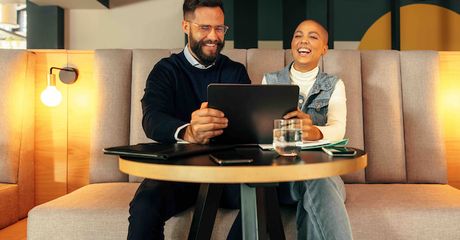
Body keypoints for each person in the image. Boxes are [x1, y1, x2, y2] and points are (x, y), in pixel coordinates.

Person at [128, 0, 250, 239]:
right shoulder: (165, 70)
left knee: (266, 195)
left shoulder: (235, 71)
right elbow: (152, 119)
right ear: (186, 26)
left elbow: (247, 126)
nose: (214, 36)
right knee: (144, 206)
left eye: (219, 28)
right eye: (204, 28)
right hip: (178, 172)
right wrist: (188, 131)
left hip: (227, 173)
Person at [262, 20, 353, 239]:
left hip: (325, 175)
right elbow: (262, 134)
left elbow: (338, 130)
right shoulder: (270, 80)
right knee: (315, 178)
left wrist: (315, 132)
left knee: (318, 177)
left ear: (324, 49)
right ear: (291, 43)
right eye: (298, 35)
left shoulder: (334, 84)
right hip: (283, 180)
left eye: (313, 37)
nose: (303, 41)